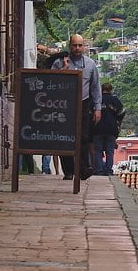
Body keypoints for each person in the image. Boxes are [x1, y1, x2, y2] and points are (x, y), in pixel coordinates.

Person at [52, 35, 102, 180]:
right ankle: (68, 171)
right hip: (62, 104)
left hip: (83, 103)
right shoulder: (58, 63)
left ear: (84, 46)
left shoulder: (91, 64)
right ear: (69, 46)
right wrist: (64, 69)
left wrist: (98, 108)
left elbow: (95, 87)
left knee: (83, 137)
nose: (77, 48)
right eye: (75, 45)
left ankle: (83, 169)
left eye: (80, 45)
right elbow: (51, 83)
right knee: (64, 137)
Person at [92, 83, 125, 175]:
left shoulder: (97, 100)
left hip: (97, 129)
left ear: (101, 89)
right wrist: (118, 125)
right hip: (112, 129)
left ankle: (99, 170)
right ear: (111, 90)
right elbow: (121, 113)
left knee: (97, 150)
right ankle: (108, 170)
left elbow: (90, 112)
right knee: (110, 151)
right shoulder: (115, 100)